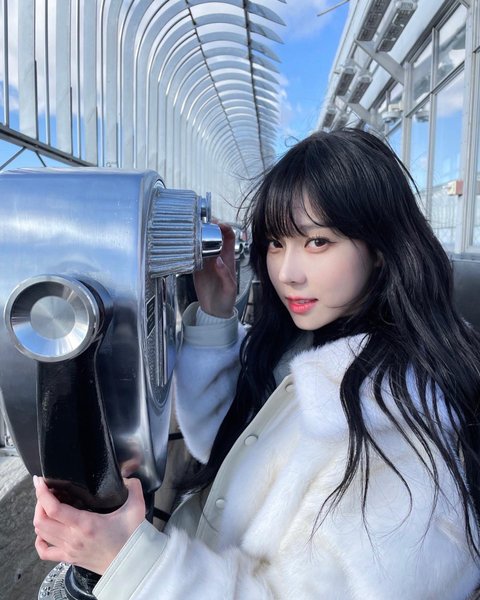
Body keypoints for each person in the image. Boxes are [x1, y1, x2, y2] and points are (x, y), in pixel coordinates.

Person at [33, 128, 480, 599]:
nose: (287, 272)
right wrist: (215, 312)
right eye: (276, 243)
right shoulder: (315, 345)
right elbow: (239, 451)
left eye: (318, 242)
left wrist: (131, 562)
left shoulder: (405, 429)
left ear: (382, 248)